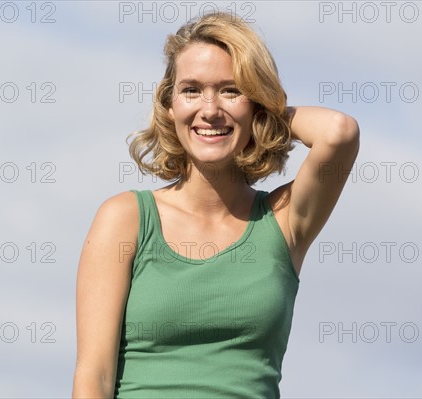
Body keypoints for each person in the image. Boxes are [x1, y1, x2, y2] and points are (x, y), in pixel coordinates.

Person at [72, 11, 359, 399]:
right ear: (169, 106)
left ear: (256, 103)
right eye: (191, 90)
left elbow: (339, 133)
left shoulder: (282, 221)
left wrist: (265, 112)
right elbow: (94, 378)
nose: (209, 109)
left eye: (230, 90)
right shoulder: (125, 219)